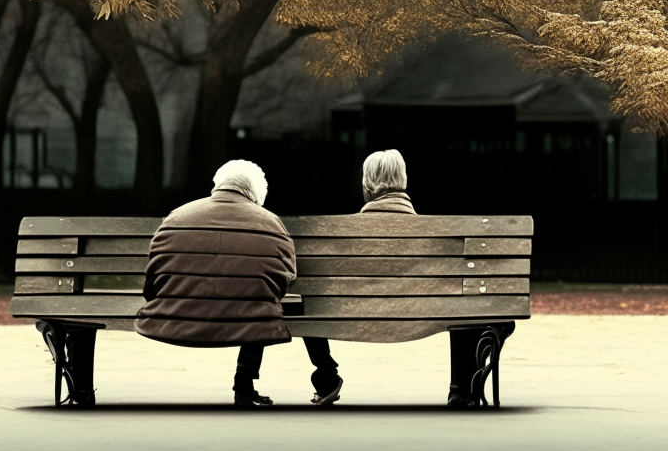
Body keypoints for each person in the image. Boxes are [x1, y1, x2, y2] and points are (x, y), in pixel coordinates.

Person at [136, 160, 342, 406]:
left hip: (173, 319)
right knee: (256, 298)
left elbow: (152, 284)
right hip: (248, 320)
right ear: (256, 194)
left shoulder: (176, 217)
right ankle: (245, 382)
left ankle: (81, 388)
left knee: (255, 296)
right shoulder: (272, 223)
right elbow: (282, 284)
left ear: (218, 184)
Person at [359, 149, 510, 406]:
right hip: (425, 310)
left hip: (358, 312)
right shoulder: (433, 232)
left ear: (366, 183)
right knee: (472, 306)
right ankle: (461, 389)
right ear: (403, 180)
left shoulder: (346, 230)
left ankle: (326, 375)